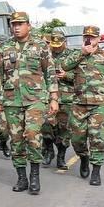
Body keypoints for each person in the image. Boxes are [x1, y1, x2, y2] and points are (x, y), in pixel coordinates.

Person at [0, 11, 59, 195]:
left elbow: (50, 73)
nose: (16, 27)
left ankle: (34, 175)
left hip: (35, 99)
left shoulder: (41, 46)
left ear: (28, 25)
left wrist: (54, 98)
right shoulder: (4, 47)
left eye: (20, 24)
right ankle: (22, 177)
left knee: (32, 134)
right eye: (14, 24)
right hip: (11, 100)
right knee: (16, 140)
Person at [58, 26, 104, 186]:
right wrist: (82, 53)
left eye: (92, 37)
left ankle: (96, 171)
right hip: (79, 104)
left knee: (97, 138)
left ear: (98, 39)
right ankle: (83, 157)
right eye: (86, 37)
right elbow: (64, 66)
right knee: (77, 139)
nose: (89, 39)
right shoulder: (76, 54)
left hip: (99, 104)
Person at [45, 32, 71, 170]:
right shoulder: (46, 55)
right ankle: (49, 149)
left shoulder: (72, 55)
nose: (56, 48)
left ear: (64, 42)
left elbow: (82, 74)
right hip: (48, 96)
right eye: (53, 45)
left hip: (66, 97)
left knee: (64, 129)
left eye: (58, 45)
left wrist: (67, 75)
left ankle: (61, 156)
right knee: (45, 125)